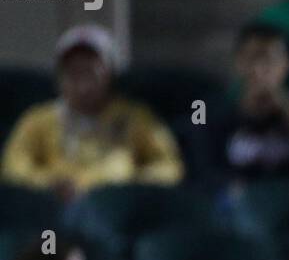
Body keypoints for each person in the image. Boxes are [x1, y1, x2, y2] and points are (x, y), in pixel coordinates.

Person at [1, 25, 183, 201]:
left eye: (91, 73)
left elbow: (169, 167)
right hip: (55, 208)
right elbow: (13, 167)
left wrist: (129, 187)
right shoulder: (39, 119)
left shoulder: (133, 117)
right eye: (73, 73)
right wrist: (48, 184)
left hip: (115, 209)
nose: (82, 86)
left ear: (110, 75)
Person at [214, 21, 289, 184]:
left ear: (287, 65)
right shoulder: (216, 109)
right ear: (238, 62)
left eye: (270, 60)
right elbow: (206, 169)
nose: (259, 69)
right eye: (251, 58)